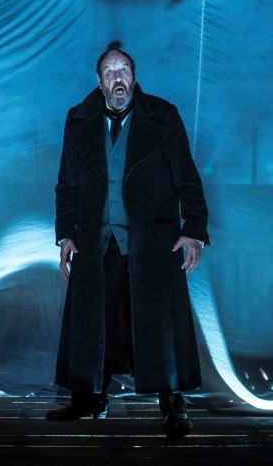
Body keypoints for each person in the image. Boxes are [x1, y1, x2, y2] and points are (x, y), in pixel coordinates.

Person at [46, 40, 209, 439]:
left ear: (134, 77)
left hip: (152, 240)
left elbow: (187, 176)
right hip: (96, 238)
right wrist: (65, 235)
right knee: (93, 322)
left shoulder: (162, 116)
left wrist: (194, 231)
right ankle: (89, 400)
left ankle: (172, 405)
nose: (117, 78)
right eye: (109, 72)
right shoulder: (78, 120)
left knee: (158, 325)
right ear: (98, 81)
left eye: (123, 70)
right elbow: (67, 184)